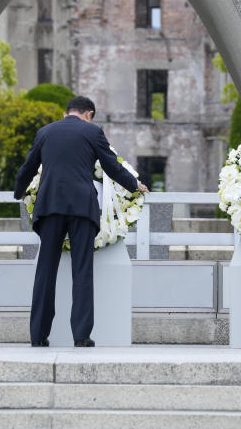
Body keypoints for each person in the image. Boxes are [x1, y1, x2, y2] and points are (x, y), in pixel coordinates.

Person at [14, 96, 147, 347]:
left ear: (67, 113)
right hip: (81, 207)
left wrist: (18, 192)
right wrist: (134, 185)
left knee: (45, 271)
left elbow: (28, 167)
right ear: (89, 114)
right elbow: (111, 166)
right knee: (82, 271)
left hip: (50, 206)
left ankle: (38, 335)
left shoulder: (45, 132)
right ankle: (81, 336)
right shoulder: (93, 132)